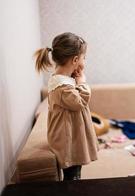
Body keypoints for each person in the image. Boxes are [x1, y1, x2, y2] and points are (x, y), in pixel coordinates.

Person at [34, 32, 99, 181]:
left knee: (75, 172)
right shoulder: (62, 87)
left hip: (72, 136)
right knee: (72, 176)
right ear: (75, 60)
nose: (85, 61)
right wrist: (82, 82)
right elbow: (80, 102)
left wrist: (75, 80)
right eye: (84, 58)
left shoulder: (62, 80)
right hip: (68, 142)